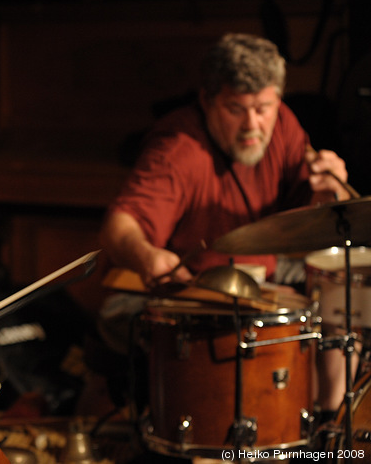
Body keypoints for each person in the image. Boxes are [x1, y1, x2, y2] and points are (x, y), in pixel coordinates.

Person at [99, 33, 352, 418]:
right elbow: (119, 227)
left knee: (345, 294)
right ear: (207, 100)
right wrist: (148, 255)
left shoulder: (282, 123)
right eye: (236, 109)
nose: (254, 124)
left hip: (262, 271)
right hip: (196, 291)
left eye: (264, 108)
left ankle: (330, 429)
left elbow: (313, 215)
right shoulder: (178, 150)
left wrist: (332, 193)